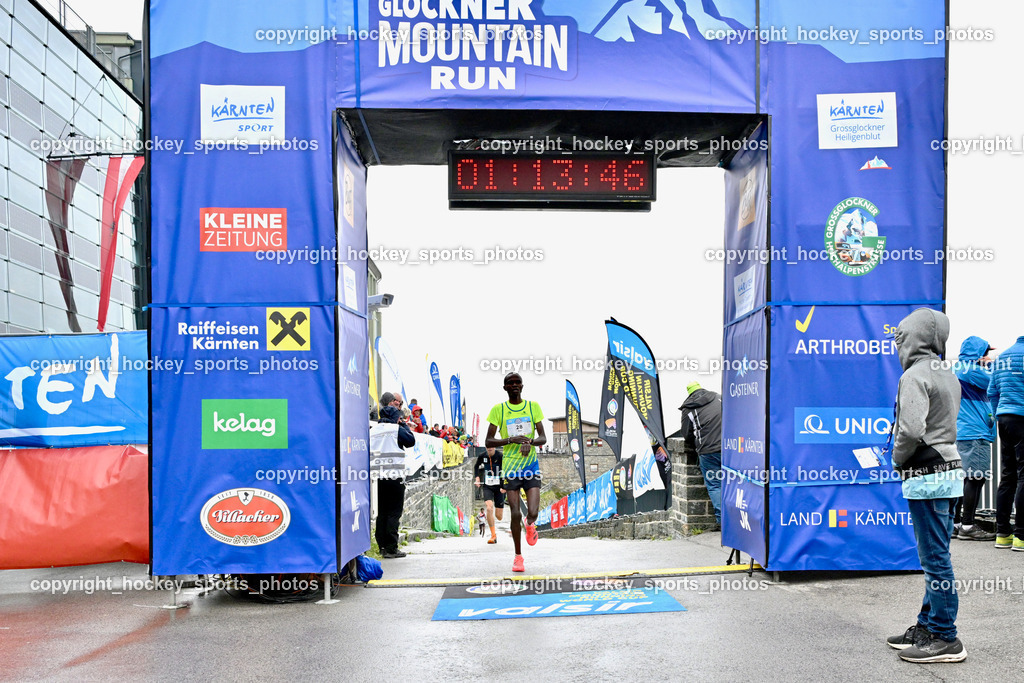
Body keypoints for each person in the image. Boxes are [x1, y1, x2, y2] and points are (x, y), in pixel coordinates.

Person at [885, 309, 966, 663]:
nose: (897, 344)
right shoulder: (945, 372)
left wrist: (896, 459)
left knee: (934, 561)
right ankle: (927, 626)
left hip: (927, 477)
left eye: (900, 337)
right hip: (947, 472)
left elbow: (910, 431)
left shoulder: (914, 375)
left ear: (914, 337)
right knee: (937, 555)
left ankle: (946, 638)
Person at [485, 372, 546, 573]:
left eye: (517, 382)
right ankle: (518, 557)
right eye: (510, 383)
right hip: (510, 468)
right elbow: (489, 441)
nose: (514, 385)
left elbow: (543, 437)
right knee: (514, 513)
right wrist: (511, 440)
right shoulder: (498, 410)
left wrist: (529, 441)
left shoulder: (533, 407)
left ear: (522, 386)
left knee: (533, 512)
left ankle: (530, 524)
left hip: (530, 466)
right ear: (505, 388)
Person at [952, 337, 996, 541]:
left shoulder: (958, 368)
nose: (988, 357)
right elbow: (996, 381)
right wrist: (992, 364)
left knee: (965, 478)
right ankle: (968, 526)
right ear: (977, 354)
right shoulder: (971, 370)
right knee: (976, 478)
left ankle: (957, 523)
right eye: (986, 353)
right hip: (974, 432)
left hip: (963, 431)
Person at [988, 333, 1024, 551]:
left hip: (1005, 419)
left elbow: (992, 391)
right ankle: (1021, 536)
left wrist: (997, 415)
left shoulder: (1003, 357)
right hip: (1022, 418)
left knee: (1008, 474)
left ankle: (1002, 533)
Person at [678, 381, 723, 526]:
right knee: (734, 482)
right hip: (731, 448)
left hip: (708, 451)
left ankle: (723, 521)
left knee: (715, 485)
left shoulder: (689, 409)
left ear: (689, 393)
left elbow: (687, 435)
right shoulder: (719, 398)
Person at [376, 391, 414, 559]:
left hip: (378, 476)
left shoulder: (375, 428)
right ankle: (392, 547)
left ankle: (382, 545)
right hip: (395, 476)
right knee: (393, 512)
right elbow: (410, 441)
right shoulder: (395, 429)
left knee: (382, 512)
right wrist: (403, 425)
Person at [474, 446, 505, 543]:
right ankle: (493, 536)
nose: (489, 449)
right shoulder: (482, 456)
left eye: (491, 447)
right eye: (488, 447)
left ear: (494, 447)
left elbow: (506, 469)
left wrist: (504, 485)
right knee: (489, 508)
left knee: (499, 516)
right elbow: (476, 466)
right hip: (488, 486)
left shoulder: (500, 456)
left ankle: (498, 511)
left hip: (499, 487)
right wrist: (477, 478)